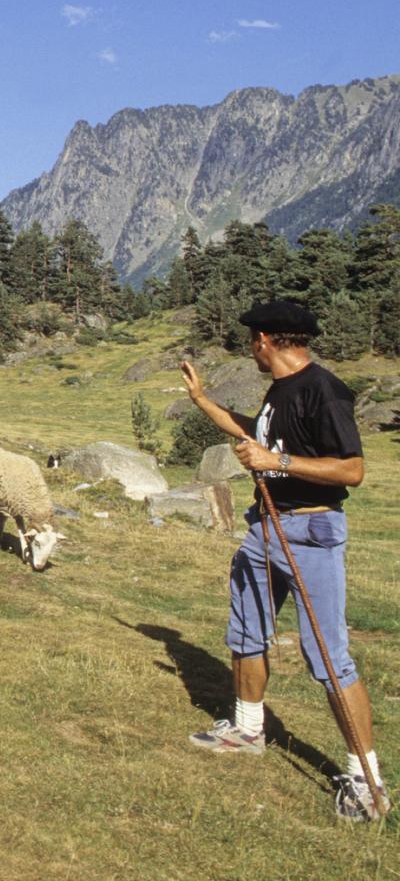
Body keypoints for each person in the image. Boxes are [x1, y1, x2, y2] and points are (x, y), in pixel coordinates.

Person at [180, 300, 390, 822]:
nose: (250, 346)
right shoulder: (281, 391)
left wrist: (279, 462)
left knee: (329, 656)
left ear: (267, 340)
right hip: (265, 529)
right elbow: (259, 434)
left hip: (311, 530)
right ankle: (248, 729)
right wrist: (203, 400)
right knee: (246, 631)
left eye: (252, 338)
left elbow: (353, 470)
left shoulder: (325, 390)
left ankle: (366, 781)